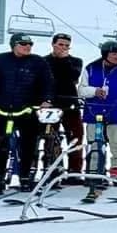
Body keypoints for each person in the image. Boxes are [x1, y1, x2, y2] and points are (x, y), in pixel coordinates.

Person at [0, 32, 53, 192]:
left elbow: (48, 82)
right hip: (2, 111)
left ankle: (25, 177)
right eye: (23, 44)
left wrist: (47, 100)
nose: (28, 47)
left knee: (28, 145)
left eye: (30, 44)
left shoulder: (38, 62)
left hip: (27, 111)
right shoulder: (0, 59)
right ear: (14, 45)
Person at [81, 40, 117, 172]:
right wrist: (94, 91)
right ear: (105, 54)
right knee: (94, 144)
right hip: (94, 112)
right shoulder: (91, 68)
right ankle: (94, 173)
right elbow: (81, 90)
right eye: (114, 54)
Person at [43, 32, 85, 169]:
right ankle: (54, 168)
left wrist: (64, 60)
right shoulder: (43, 61)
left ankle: (75, 170)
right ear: (53, 44)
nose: (63, 48)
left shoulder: (75, 61)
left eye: (67, 46)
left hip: (70, 104)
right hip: (51, 105)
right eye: (60, 45)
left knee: (75, 138)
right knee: (50, 139)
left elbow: (73, 76)